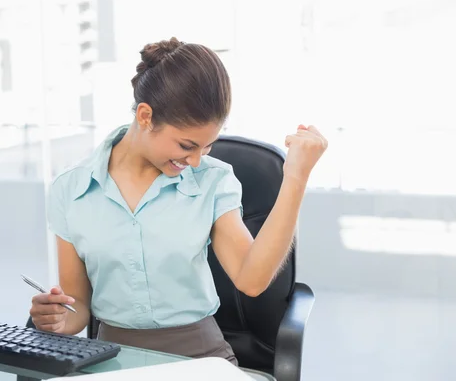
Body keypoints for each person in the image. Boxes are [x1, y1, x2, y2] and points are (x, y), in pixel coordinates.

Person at [29, 37, 327, 365]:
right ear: (145, 116)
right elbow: (79, 308)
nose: (197, 160)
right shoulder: (71, 189)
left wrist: (296, 178)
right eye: (187, 145)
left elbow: (252, 279)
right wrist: (57, 319)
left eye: (207, 146)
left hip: (199, 358)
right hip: (112, 360)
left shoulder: (212, 181)